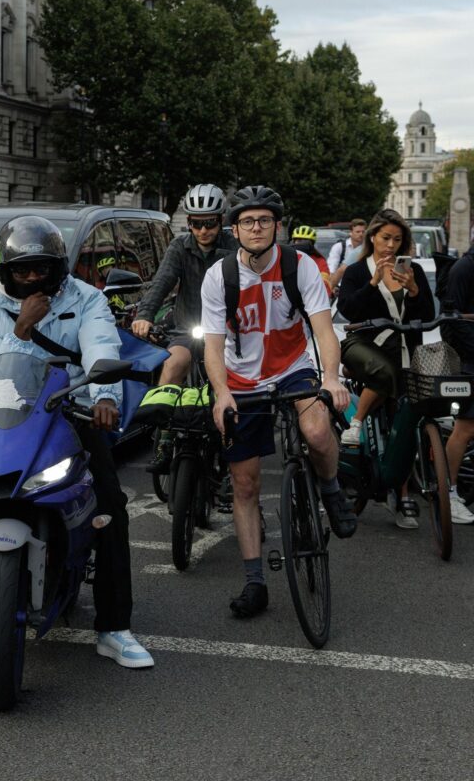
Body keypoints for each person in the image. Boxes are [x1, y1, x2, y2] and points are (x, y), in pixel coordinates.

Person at [0, 215, 153, 669]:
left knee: (109, 508)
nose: (32, 278)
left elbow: (100, 349)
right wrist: (22, 329)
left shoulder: (87, 299)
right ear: (5, 270)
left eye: (40, 269)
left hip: (71, 412)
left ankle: (115, 627)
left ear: (57, 266)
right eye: (22, 270)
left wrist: (106, 397)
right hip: (3, 418)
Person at [202, 185, 355, 619]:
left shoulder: (299, 265)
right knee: (245, 484)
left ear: (277, 226)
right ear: (234, 230)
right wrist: (222, 394)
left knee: (317, 429)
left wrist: (331, 378)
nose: (256, 227)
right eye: (248, 221)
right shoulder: (220, 277)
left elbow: (324, 329)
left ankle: (330, 490)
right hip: (240, 379)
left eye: (264, 220)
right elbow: (212, 346)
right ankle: (254, 582)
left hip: (293, 367)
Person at [336, 209, 435, 527]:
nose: (391, 245)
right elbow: (348, 309)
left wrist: (416, 291)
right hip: (366, 347)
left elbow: (428, 313)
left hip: (406, 350)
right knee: (386, 374)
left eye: (397, 239)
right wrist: (374, 282)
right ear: (372, 239)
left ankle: (403, 494)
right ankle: (357, 424)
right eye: (385, 238)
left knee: (404, 420)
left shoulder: (414, 270)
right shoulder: (356, 271)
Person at [131, 183, 236, 473]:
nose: (203, 231)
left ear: (221, 220)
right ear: (188, 223)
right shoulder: (179, 246)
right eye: (195, 224)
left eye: (209, 223)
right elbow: (161, 283)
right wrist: (145, 315)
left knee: (231, 388)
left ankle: (230, 457)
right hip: (187, 328)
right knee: (174, 364)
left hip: (227, 334)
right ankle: (165, 438)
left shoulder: (234, 247)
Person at [441, 242, 474, 525]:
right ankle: (450, 493)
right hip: (470, 362)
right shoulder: (464, 268)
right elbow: (453, 319)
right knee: (465, 427)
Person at [290, 224, 332, 296]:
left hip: (311, 298)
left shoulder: (319, 260)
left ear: (312, 243)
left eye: (305, 241)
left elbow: (324, 283)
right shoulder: (286, 257)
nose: (301, 243)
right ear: (293, 242)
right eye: (299, 240)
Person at [327, 218, 367, 291]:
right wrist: (330, 289)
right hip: (340, 288)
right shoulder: (339, 247)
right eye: (358, 232)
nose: (361, 234)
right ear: (350, 232)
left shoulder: (367, 249)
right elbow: (332, 270)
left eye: (363, 232)